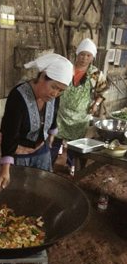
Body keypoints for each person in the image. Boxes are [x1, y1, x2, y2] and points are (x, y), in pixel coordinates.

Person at [0, 53, 73, 190]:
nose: (55, 94)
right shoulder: (18, 96)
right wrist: (5, 168)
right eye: (54, 87)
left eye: (61, 90)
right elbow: (10, 133)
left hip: (41, 152)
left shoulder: (54, 97)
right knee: (19, 193)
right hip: (19, 156)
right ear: (42, 76)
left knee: (41, 191)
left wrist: (50, 138)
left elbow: (53, 116)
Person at [50, 38, 108, 176]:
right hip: (62, 114)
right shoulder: (67, 68)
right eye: (82, 54)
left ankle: (74, 170)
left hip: (81, 117)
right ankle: (48, 167)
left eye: (88, 55)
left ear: (92, 57)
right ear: (77, 54)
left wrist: (96, 104)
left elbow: (103, 91)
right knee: (54, 141)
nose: (84, 58)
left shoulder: (95, 74)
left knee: (75, 145)